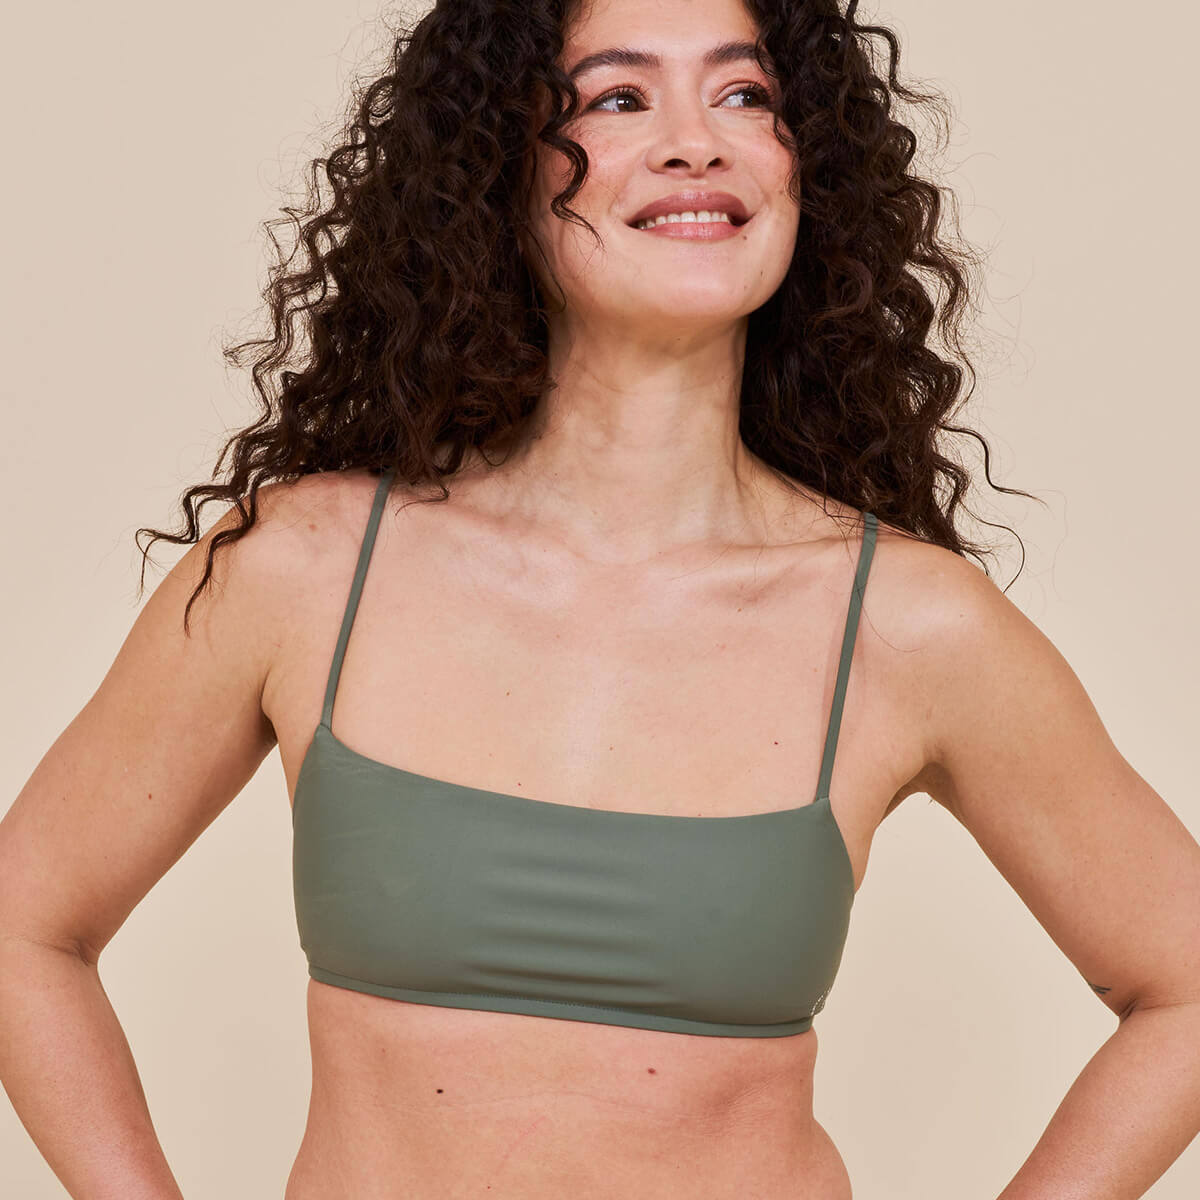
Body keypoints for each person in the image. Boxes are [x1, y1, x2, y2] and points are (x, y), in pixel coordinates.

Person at [2, 0, 1198, 1196]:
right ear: (496, 173)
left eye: (745, 96)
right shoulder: (303, 566)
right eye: (619, 98)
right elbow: (22, 928)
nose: (695, 142)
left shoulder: (909, 625)